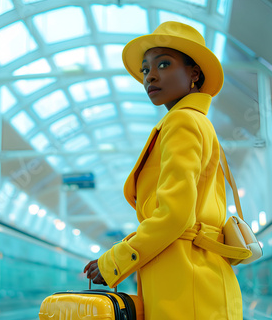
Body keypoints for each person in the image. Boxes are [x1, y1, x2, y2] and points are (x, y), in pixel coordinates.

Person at [84, 21, 243, 319]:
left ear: (194, 73)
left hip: (185, 286)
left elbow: (175, 214)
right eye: (145, 70)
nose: (150, 76)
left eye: (164, 64)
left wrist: (115, 261)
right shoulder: (196, 123)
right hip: (197, 280)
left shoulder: (182, 122)